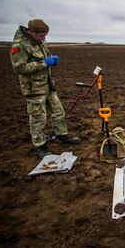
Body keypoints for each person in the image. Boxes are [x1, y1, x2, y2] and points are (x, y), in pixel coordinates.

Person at [10, 19, 80, 158]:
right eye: (42, 35)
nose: (44, 38)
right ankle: (40, 145)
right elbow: (19, 68)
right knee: (38, 117)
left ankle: (62, 136)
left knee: (58, 111)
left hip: (48, 85)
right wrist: (44, 63)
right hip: (34, 88)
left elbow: (43, 59)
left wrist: (52, 60)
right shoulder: (19, 45)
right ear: (32, 32)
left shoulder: (39, 42)